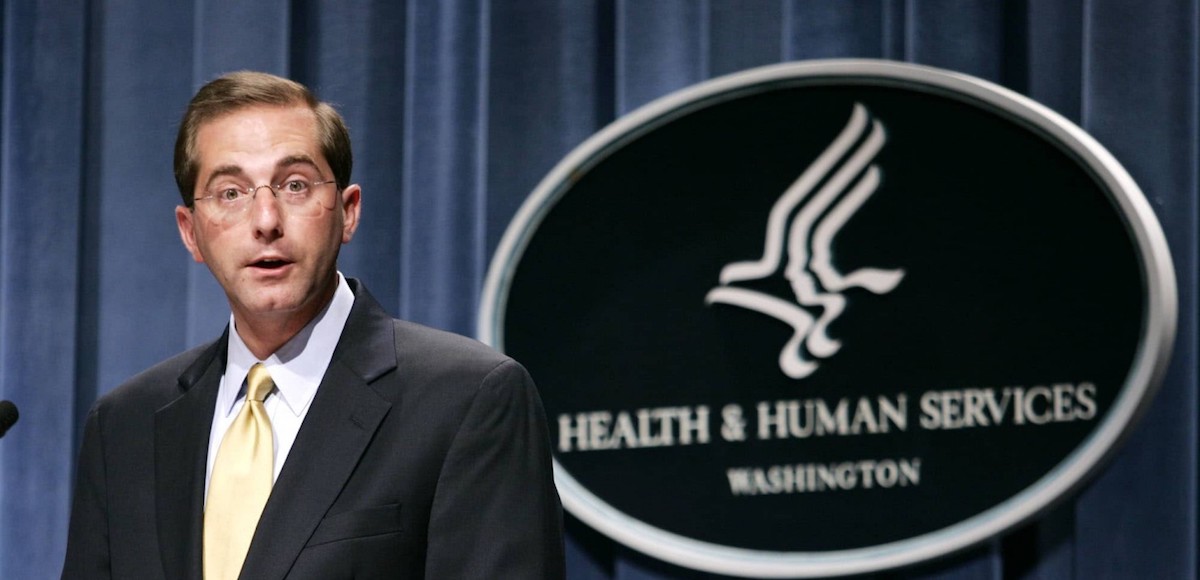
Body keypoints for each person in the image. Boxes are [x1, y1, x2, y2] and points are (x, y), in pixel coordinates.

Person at [61, 71, 565, 579]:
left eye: (295, 185)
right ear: (191, 233)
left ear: (348, 212)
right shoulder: (124, 427)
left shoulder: (468, 399)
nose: (265, 220)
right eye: (230, 193)